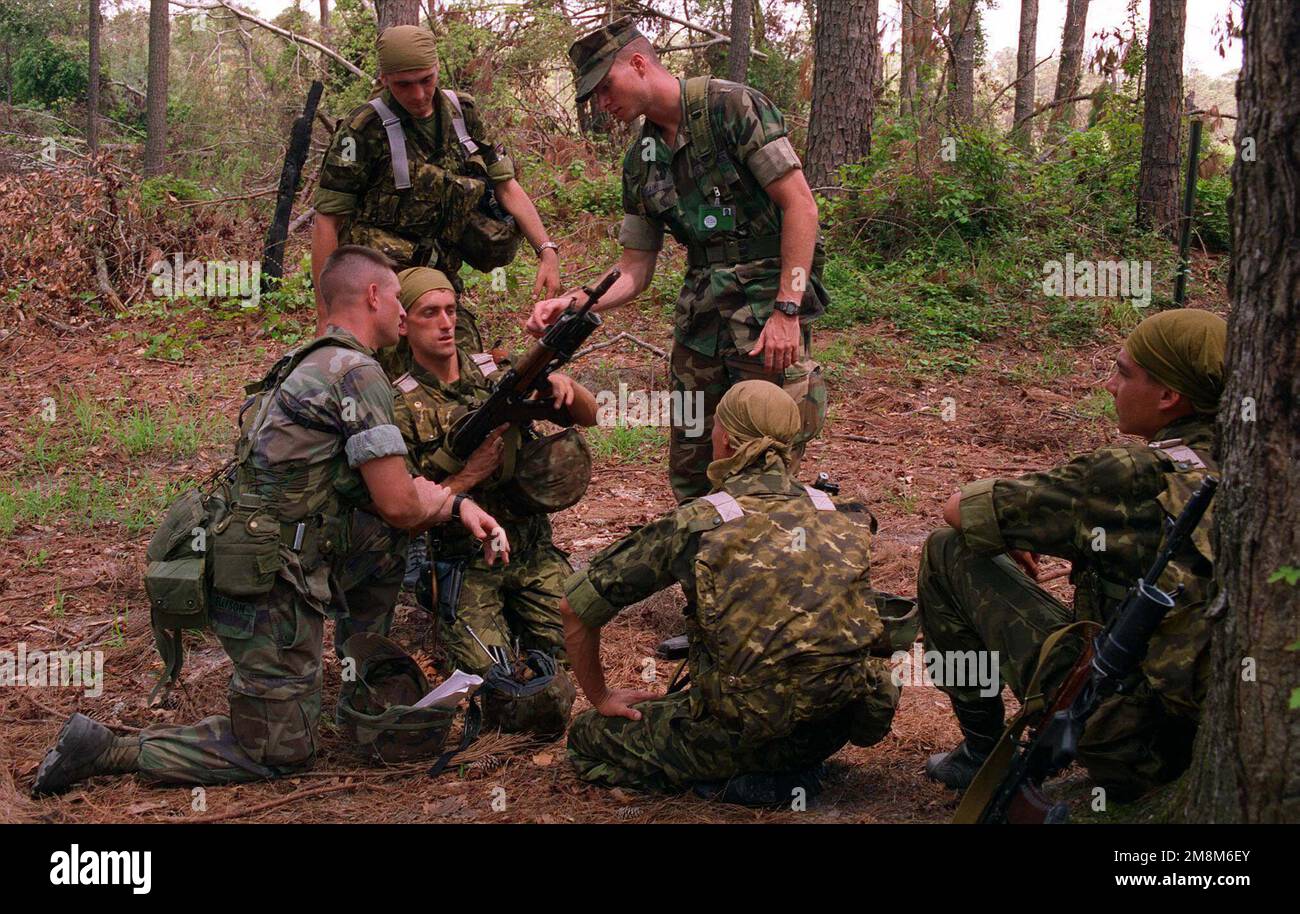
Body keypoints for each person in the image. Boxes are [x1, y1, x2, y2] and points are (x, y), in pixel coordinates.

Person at [31, 246, 509, 794]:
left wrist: (456, 502)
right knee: (281, 752)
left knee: (381, 539)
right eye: (400, 299)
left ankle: (362, 682)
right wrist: (459, 497)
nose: (404, 313)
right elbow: (401, 503)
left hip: (272, 547)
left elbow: (387, 501)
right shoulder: (357, 373)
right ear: (374, 296)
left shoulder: (312, 358)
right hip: (264, 575)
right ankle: (109, 748)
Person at [919, 309, 1224, 799]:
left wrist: (1008, 533)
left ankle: (980, 753)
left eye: (1123, 373)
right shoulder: (1258, 458)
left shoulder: (1132, 473)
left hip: (1125, 738)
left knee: (947, 550)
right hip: (1214, 737)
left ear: (1169, 396)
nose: (1109, 386)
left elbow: (961, 509)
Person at [527, 18, 827, 504]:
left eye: (606, 87)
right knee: (692, 473)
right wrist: (576, 302)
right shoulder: (640, 161)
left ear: (640, 63)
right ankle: (702, 573)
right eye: (594, 95)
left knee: (760, 469)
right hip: (700, 329)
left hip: (764, 321)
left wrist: (787, 310)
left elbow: (801, 206)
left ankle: (764, 572)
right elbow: (633, 268)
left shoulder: (732, 107)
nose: (602, 103)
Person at [560, 381, 899, 805]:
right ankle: (791, 770)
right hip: (829, 727)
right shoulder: (845, 513)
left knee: (588, 736)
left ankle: (736, 781)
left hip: (740, 734)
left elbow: (575, 607)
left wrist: (602, 697)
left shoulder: (699, 522)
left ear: (724, 439)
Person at [390, 267, 596, 688]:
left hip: (531, 552)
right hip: (466, 562)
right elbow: (406, 512)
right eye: (430, 312)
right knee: (491, 679)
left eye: (451, 310)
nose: (446, 323)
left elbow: (589, 416)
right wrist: (468, 476)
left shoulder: (497, 374)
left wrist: (559, 381)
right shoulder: (399, 406)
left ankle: (527, 619)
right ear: (403, 323)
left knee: (573, 652)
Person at [312, 24, 561, 342]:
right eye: (404, 84)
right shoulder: (364, 128)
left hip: (438, 272)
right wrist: (327, 317)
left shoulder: (462, 114)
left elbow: (506, 185)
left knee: (458, 361)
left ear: (437, 68)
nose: (417, 95)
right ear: (385, 79)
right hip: (378, 278)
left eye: (426, 80)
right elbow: (327, 221)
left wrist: (546, 251)